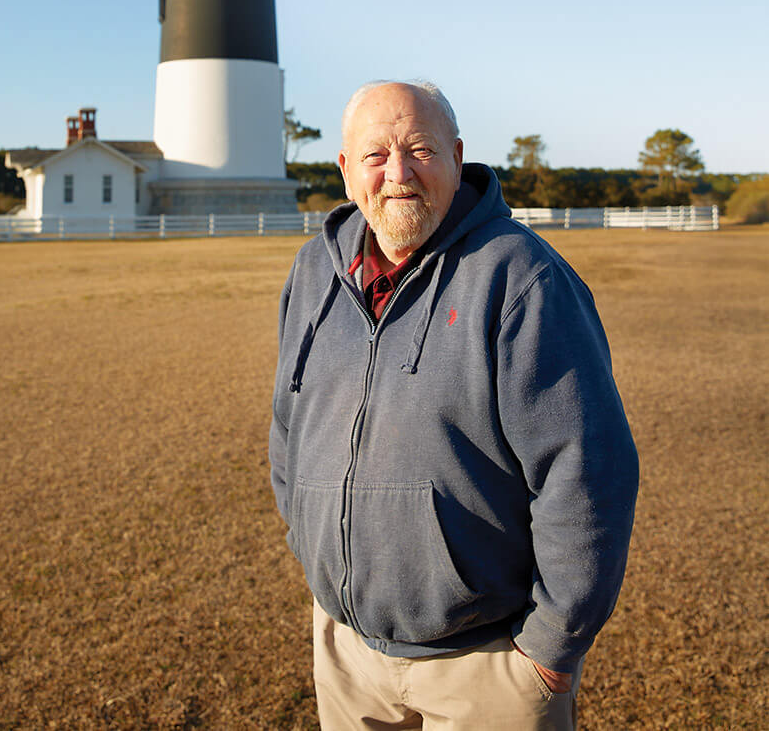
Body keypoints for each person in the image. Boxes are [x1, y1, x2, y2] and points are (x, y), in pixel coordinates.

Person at [269, 80, 638, 730]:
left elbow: (587, 476)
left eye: (420, 150)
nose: (399, 173)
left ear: (457, 155)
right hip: (348, 655)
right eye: (377, 154)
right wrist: (312, 546)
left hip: (485, 666)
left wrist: (548, 652)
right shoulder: (313, 273)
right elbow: (288, 427)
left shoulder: (522, 277)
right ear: (345, 168)